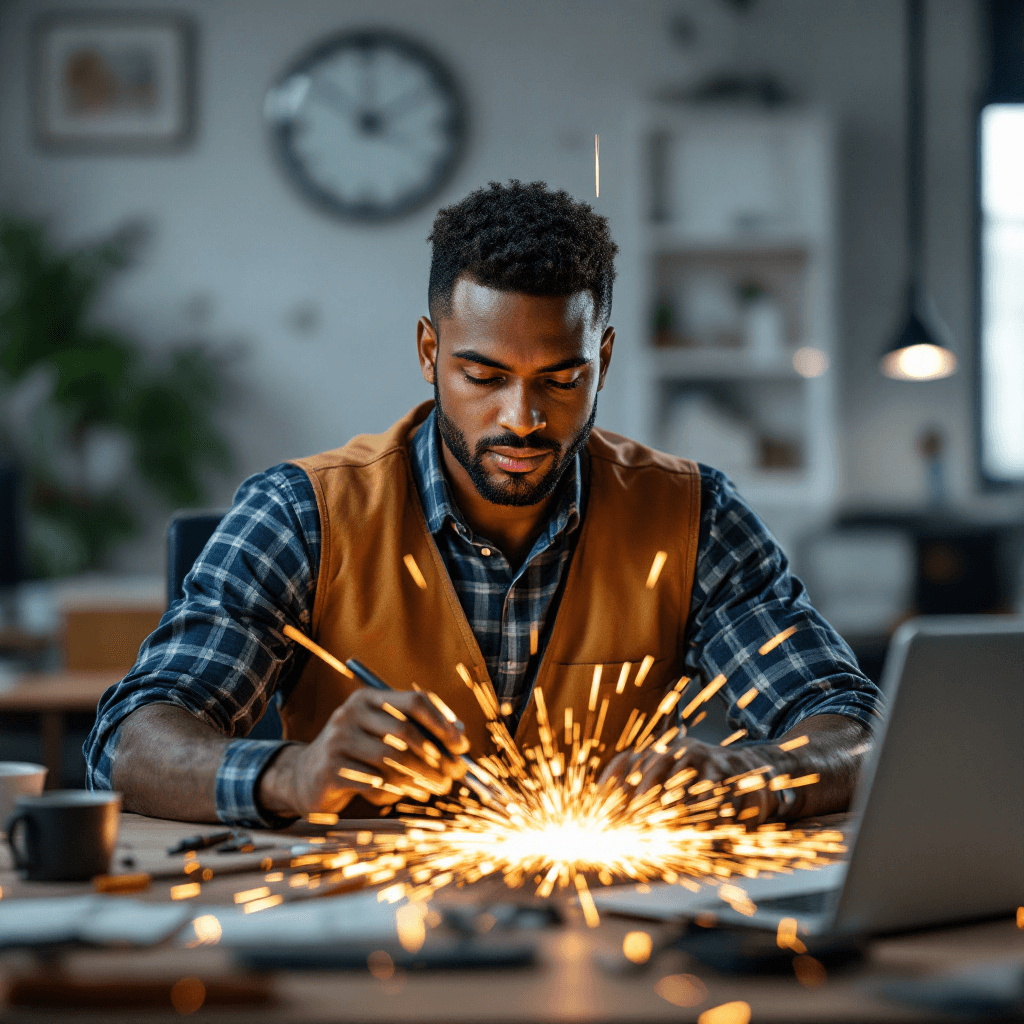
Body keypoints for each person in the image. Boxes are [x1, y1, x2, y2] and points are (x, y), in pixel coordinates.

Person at [85, 181, 882, 828]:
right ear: (429, 351)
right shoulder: (303, 514)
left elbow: (854, 728)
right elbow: (128, 742)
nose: (522, 418)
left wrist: (752, 777)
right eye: (484, 376)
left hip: (619, 918)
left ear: (603, 360)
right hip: (357, 918)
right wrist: (293, 774)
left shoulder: (694, 516)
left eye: (561, 380)